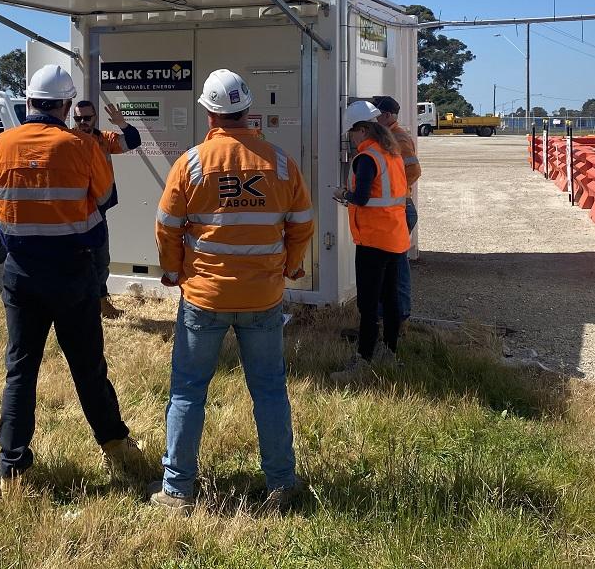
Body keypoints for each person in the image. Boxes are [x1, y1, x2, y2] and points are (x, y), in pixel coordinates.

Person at [149, 69, 314, 513]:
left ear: (209, 114)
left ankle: (178, 491)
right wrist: (291, 266)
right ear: (248, 111)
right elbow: (302, 223)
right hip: (263, 297)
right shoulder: (280, 162)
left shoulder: (193, 163)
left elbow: (166, 226)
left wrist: (172, 271)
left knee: (187, 391)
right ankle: (281, 485)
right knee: (270, 391)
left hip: (204, 297)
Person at [0, 65, 145, 490]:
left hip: (20, 274)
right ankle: (115, 445)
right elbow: (105, 201)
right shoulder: (80, 146)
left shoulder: (1, 144)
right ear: (65, 106)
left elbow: (2, 209)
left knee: (20, 368)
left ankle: (12, 467)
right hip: (72, 271)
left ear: (29, 101)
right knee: (88, 365)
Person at [330, 100, 410, 384]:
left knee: (367, 304)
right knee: (390, 300)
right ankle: (389, 352)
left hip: (373, 241)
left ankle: (363, 359)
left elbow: (362, 197)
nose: (350, 138)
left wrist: (342, 193)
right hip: (395, 237)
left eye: (352, 132)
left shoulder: (367, 158)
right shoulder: (392, 153)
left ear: (362, 130)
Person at [71, 99, 142, 318]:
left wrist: (123, 124)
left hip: (98, 210)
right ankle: (78, 304)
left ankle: (101, 303)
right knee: (75, 260)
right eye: (78, 118)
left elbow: (133, 141)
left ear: (94, 118)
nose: (82, 122)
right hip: (72, 210)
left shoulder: (104, 139)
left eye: (87, 117)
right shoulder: (68, 140)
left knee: (101, 259)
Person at [371, 95, 420, 321]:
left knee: (397, 265)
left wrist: (394, 190)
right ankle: (388, 314)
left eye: (376, 114)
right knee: (388, 265)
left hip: (401, 208)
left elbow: (413, 170)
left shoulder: (398, 137)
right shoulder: (386, 136)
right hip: (396, 208)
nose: (373, 118)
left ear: (388, 115)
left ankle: (400, 315)